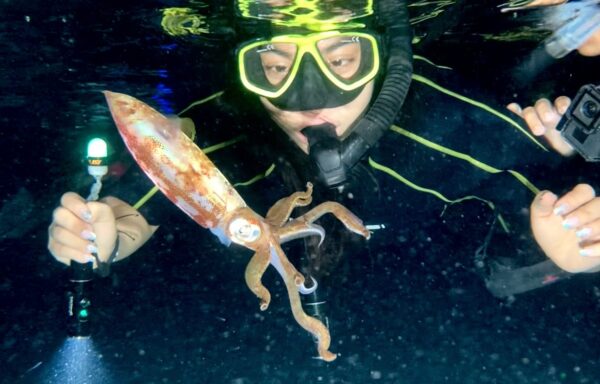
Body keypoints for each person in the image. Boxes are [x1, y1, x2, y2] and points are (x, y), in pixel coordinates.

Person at [48, 0, 600, 301]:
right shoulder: (224, 128)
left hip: (420, 284)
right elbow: (151, 185)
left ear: (384, 57)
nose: (309, 101)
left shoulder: (452, 123)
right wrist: (109, 232)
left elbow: (538, 213)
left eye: (341, 61)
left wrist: (551, 255)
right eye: (275, 65)